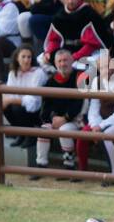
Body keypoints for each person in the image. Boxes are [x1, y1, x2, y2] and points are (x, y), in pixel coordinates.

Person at [77, 48, 114, 181]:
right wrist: (95, 124)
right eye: (102, 66)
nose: (105, 69)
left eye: (108, 65)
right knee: (82, 135)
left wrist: (101, 126)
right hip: (100, 121)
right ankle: (82, 172)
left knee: (105, 136)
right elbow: (93, 106)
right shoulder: (96, 81)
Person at [34, 46, 86, 178]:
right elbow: (46, 105)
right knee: (44, 129)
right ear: (55, 64)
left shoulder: (80, 76)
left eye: (66, 60)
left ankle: (69, 165)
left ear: (72, 60)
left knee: (65, 129)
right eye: (60, 61)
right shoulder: (51, 81)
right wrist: (52, 118)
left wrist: (65, 118)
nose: (63, 63)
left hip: (76, 119)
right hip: (57, 119)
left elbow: (80, 103)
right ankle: (41, 165)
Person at [41, 0, 107, 68]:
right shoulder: (59, 16)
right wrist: (49, 52)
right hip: (65, 51)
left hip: (87, 52)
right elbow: (55, 40)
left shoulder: (89, 14)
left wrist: (74, 57)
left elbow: (92, 44)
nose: (70, 1)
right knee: (43, 60)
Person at [2, 43, 47, 149]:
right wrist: (6, 100)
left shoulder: (38, 73)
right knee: (6, 107)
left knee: (16, 107)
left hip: (37, 110)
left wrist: (11, 100)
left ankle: (30, 135)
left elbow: (33, 101)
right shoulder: (13, 73)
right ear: (17, 58)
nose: (26, 60)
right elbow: (9, 93)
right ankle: (21, 134)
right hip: (20, 108)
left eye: (29, 57)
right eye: (23, 57)